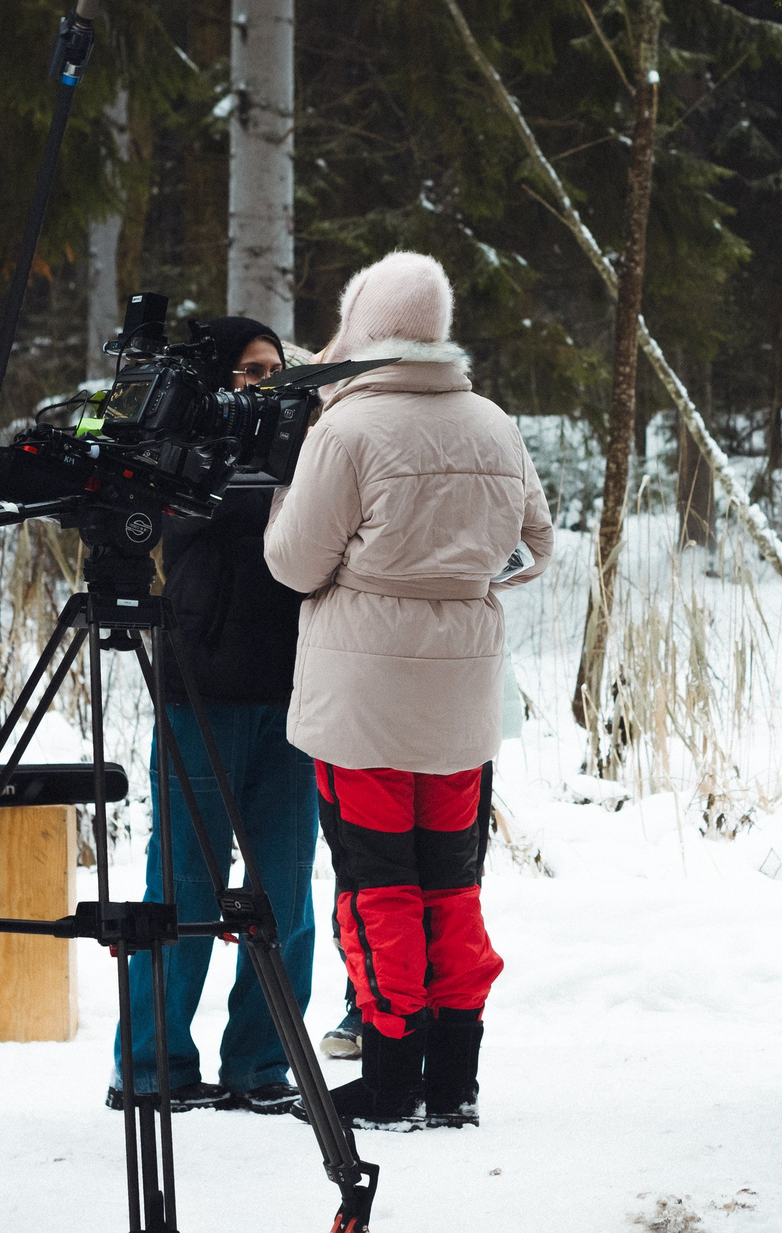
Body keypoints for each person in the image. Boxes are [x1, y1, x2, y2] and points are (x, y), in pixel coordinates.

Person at [264, 251, 553, 1130]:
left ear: (361, 329)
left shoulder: (347, 430)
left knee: (377, 883)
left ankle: (389, 1080)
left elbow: (291, 563)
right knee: (451, 883)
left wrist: (369, 570)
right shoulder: (494, 422)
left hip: (363, 698)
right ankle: (454, 1080)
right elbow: (537, 548)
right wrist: (459, 577)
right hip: (461, 697)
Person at [110, 317, 318, 1116]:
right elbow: (186, 524)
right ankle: (151, 1063)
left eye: (275, 371)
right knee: (185, 883)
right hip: (201, 689)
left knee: (285, 888)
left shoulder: (306, 445)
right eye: (249, 370)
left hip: (294, 692)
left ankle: (262, 1064)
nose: (263, 384)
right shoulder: (182, 448)